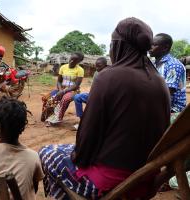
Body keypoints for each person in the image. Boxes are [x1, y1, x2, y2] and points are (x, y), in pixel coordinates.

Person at [39, 17, 170, 199]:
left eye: (111, 45)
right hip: (144, 179)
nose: (110, 50)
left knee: (47, 152)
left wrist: (80, 159)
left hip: (111, 181)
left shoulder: (108, 77)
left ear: (119, 46)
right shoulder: (159, 81)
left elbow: (87, 136)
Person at [149, 33, 187, 117]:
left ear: (165, 47)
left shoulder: (173, 65)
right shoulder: (154, 64)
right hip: (162, 108)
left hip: (174, 111)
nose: (150, 48)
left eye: (154, 45)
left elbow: (167, 92)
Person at [44, 52, 84, 126]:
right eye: (71, 58)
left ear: (78, 62)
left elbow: (76, 85)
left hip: (73, 90)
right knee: (50, 97)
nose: (71, 61)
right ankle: (47, 116)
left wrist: (63, 91)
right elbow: (59, 81)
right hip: (61, 89)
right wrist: (60, 90)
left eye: (75, 60)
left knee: (65, 99)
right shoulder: (63, 67)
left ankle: (57, 119)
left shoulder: (80, 70)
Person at [72, 57, 108, 130]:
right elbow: (93, 86)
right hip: (94, 95)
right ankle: (82, 121)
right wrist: (91, 95)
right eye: (96, 66)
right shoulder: (96, 73)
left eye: (99, 66)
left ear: (105, 65)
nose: (97, 68)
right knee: (77, 97)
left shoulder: (110, 74)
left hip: (104, 98)